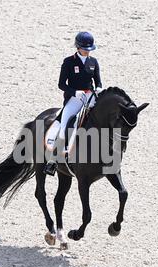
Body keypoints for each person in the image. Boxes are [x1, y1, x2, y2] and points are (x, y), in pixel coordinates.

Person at [43, 31, 103, 176]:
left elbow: (98, 81)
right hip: (74, 99)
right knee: (65, 124)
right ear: (78, 47)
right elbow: (61, 84)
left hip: (90, 96)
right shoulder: (69, 62)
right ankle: (53, 160)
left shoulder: (93, 62)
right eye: (85, 49)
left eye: (89, 50)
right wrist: (74, 92)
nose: (87, 52)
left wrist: (99, 88)